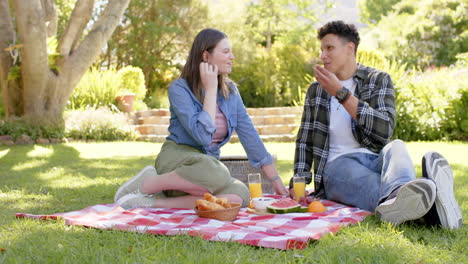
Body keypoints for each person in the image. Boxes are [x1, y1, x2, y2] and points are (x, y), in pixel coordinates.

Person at [291, 20, 462, 229]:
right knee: (384, 190)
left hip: (376, 159)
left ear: (349, 48)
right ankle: (435, 203)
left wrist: (342, 94)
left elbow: (384, 131)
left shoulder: (378, 79)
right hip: (337, 166)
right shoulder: (316, 90)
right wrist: (299, 181)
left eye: (329, 48)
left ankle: (404, 196)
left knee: (396, 146)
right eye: (321, 49)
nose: (323, 55)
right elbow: (305, 139)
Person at [114, 28, 289, 210]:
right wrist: (211, 90)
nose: (232, 57)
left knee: (240, 194)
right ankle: (150, 183)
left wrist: (275, 179)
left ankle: (154, 203)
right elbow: (202, 137)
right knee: (218, 172)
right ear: (206, 56)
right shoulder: (179, 89)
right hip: (177, 161)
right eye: (226, 51)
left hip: (206, 172)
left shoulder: (231, 92)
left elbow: (249, 134)